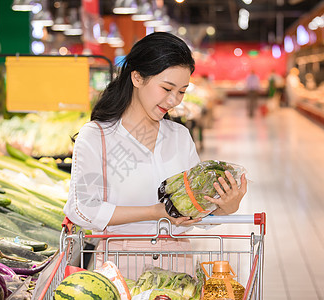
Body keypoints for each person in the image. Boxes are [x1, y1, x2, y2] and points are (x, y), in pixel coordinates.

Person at [63, 32, 247, 276]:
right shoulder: (97, 136)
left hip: (177, 265)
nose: (174, 101)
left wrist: (225, 206)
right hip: (120, 266)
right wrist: (156, 212)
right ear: (137, 77)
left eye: (181, 91)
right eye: (167, 88)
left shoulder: (179, 136)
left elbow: (196, 208)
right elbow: (81, 209)